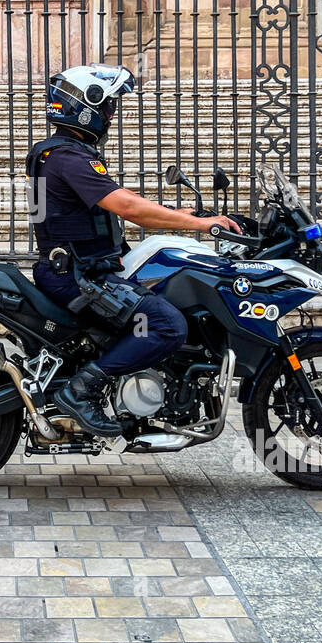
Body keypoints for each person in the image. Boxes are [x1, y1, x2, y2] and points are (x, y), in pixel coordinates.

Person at [26, 63, 241, 437]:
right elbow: (129, 208)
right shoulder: (69, 158)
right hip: (77, 277)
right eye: (108, 106)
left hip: (77, 269)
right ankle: (81, 391)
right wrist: (201, 224)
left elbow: (117, 207)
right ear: (85, 105)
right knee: (166, 324)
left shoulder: (60, 153)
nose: (111, 114)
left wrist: (180, 215)